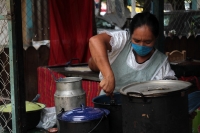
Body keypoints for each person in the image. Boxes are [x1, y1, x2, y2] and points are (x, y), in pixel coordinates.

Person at [88, 12, 175, 96]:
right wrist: (108, 76)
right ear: (130, 35)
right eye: (136, 40)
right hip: (107, 104)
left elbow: (170, 89)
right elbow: (95, 41)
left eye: (148, 42)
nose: (141, 45)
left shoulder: (161, 63)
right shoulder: (123, 41)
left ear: (156, 38)